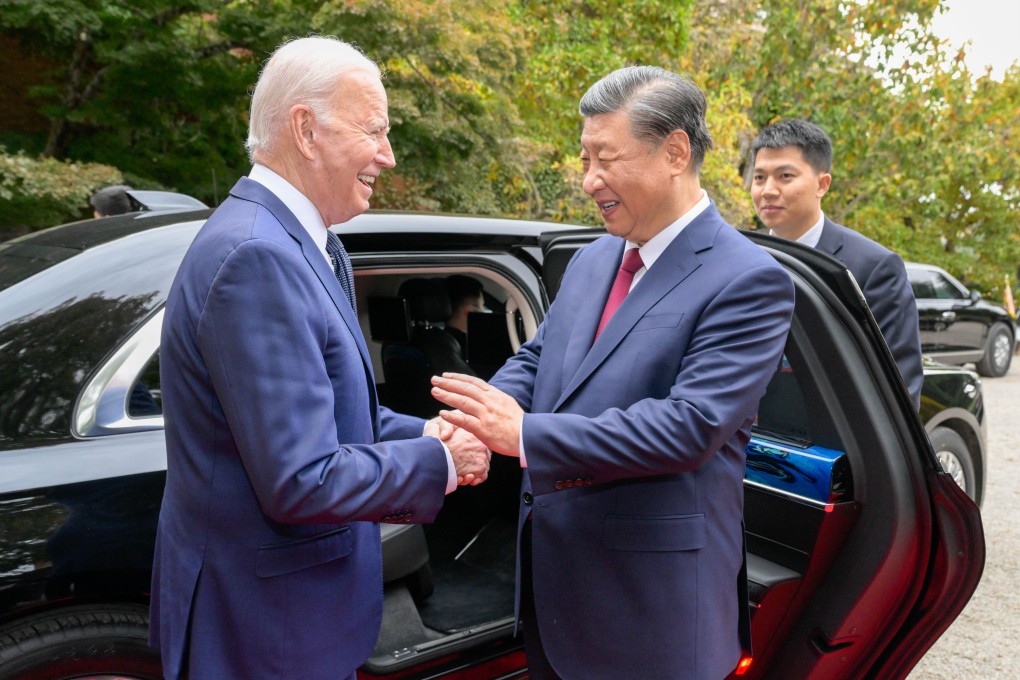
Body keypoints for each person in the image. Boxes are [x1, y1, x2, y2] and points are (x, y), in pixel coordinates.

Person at [431, 66, 795, 680]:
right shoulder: (595, 257)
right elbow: (544, 358)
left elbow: (689, 426)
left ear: (675, 151)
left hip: (651, 611)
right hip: (555, 589)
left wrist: (522, 435)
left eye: (605, 159)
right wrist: (477, 417)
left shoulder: (748, 280)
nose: (588, 181)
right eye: (584, 159)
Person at [149, 36, 489, 680]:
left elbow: (330, 413)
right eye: (375, 131)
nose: (387, 156)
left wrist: (425, 429)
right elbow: (300, 479)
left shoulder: (311, 243)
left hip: (285, 617)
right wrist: (441, 461)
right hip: (264, 631)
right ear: (306, 130)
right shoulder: (258, 257)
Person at [750, 118, 923, 407]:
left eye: (785, 176)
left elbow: (899, 387)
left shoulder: (874, 267)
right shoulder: (741, 254)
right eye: (759, 178)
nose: (768, 189)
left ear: (822, 184)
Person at [444, 274, 486, 359]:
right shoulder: (472, 348)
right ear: (469, 311)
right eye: (482, 306)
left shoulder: (440, 341)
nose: (483, 311)